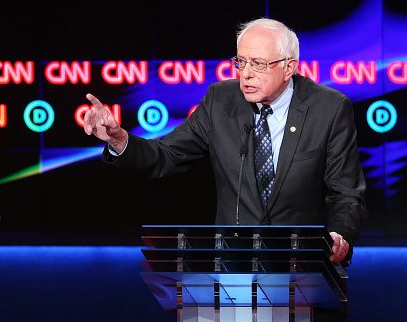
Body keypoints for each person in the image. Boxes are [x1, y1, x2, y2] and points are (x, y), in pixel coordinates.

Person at [83, 18, 367, 321]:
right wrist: (120, 139)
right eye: (240, 62)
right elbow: (166, 155)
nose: (246, 74)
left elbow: (347, 194)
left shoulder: (329, 109)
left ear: (289, 67)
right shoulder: (221, 100)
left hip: (301, 278)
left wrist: (340, 235)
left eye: (258, 64)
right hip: (232, 278)